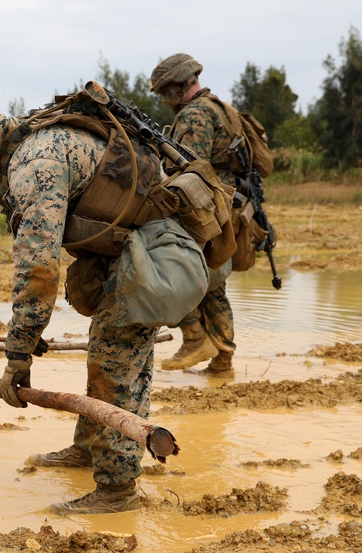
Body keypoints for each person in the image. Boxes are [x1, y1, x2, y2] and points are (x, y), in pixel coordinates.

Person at [0, 75, 193, 514]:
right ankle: (91, 448)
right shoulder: (15, 150)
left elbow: (38, 266)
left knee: (116, 359)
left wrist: (19, 354)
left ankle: (117, 492)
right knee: (107, 349)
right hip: (128, 249)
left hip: (156, 252)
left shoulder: (34, 162)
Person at [149, 53, 238, 375]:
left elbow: (187, 171)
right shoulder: (219, 108)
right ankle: (223, 361)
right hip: (226, 211)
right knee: (214, 287)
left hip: (207, 211)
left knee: (174, 271)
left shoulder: (195, 115)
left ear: (178, 85)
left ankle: (195, 338)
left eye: (163, 92)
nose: (163, 100)